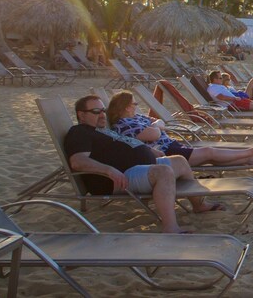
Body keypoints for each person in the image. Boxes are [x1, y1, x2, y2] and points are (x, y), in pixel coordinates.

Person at [65, 95, 223, 234]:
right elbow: (78, 161)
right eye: (96, 111)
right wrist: (109, 170)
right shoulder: (79, 132)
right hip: (117, 177)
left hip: (138, 167)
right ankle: (170, 227)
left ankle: (199, 205)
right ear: (81, 115)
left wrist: (150, 151)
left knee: (180, 161)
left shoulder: (102, 131)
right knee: (163, 172)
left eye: (103, 110)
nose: (102, 115)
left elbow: (127, 143)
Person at [106, 91, 253, 167]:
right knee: (209, 152)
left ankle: (248, 160)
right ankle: (249, 152)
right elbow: (156, 131)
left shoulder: (136, 118)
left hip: (171, 144)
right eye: (134, 104)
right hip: (165, 153)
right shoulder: (123, 125)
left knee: (209, 158)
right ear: (127, 107)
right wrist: (156, 126)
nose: (137, 106)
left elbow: (160, 123)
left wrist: (156, 125)